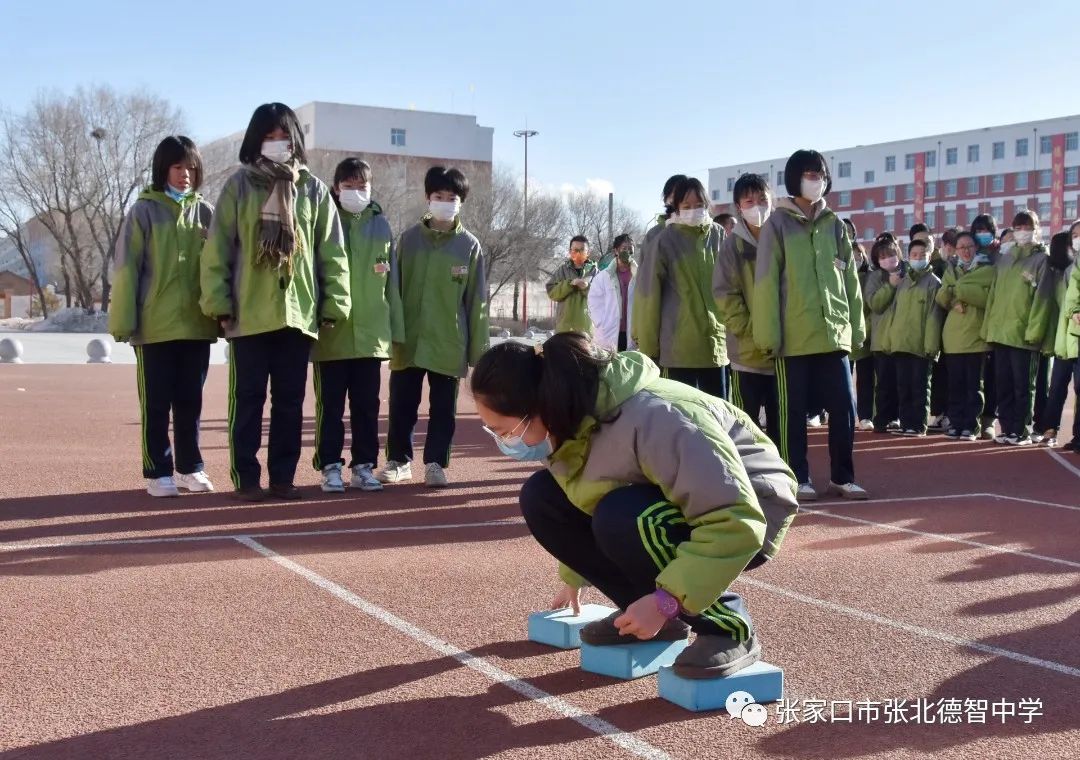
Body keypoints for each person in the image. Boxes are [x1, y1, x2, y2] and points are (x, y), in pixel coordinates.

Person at [470, 333, 798, 679]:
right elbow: (580, 495)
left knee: (622, 516)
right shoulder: (568, 422)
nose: (505, 443)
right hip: (679, 505)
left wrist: (665, 602)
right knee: (542, 497)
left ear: (541, 407)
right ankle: (646, 615)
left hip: (750, 510)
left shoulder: (658, 418)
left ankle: (728, 629)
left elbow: (735, 518)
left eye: (505, 431)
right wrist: (576, 573)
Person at [201, 103, 350, 502]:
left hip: (296, 313)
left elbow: (331, 252)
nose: (277, 143)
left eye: (283, 135)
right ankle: (246, 477)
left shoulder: (314, 189)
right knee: (247, 400)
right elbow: (218, 250)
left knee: (290, 402)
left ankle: (283, 477)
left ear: (295, 139)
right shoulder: (238, 185)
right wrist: (219, 302)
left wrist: (335, 303)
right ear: (255, 140)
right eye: (268, 136)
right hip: (249, 314)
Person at [753, 149, 867, 501]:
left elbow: (851, 281)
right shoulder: (777, 224)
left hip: (834, 334)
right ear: (794, 178)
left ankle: (843, 476)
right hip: (793, 337)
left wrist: (856, 328)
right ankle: (797, 477)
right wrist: (768, 334)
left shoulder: (835, 225)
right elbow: (767, 283)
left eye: (819, 174)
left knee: (845, 409)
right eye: (808, 174)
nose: (815, 180)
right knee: (791, 413)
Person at [110, 135, 218, 498]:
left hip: (196, 325)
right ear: (162, 169)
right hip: (154, 327)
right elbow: (126, 269)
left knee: (191, 402)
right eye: (177, 167)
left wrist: (221, 313)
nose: (185, 174)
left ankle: (191, 468)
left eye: (191, 168)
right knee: (156, 403)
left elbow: (221, 267)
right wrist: (124, 321)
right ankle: (158, 472)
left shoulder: (206, 212)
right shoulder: (144, 211)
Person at [380, 165, 489, 488]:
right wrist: (391, 333)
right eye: (439, 196)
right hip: (409, 338)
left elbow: (477, 302)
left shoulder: (469, 246)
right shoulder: (409, 240)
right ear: (428, 198)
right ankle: (399, 461)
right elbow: (393, 289)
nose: (445, 202)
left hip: (448, 340)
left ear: (461, 202)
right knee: (402, 404)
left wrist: (478, 353)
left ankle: (435, 463)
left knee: (443, 409)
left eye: (451, 197)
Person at [312, 158, 404, 493]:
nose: (355, 192)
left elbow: (391, 283)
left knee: (367, 406)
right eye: (348, 186)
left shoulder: (381, 224)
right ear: (335, 188)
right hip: (331, 334)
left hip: (371, 335)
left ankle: (364, 466)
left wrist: (396, 331)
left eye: (361, 186)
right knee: (330, 408)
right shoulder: (323, 220)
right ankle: (330, 467)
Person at [636, 177, 729, 397]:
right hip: (677, 347)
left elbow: (730, 286)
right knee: (679, 417)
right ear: (674, 207)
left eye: (698, 205)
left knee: (719, 414)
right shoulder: (663, 239)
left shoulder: (718, 234)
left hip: (715, 345)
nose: (693, 211)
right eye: (686, 207)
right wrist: (648, 346)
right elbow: (648, 296)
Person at [713, 173, 779, 443]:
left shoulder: (782, 238)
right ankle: (748, 476)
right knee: (745, 424)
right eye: (749, 201)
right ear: (738, 207)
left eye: (762, 199)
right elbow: (725, 295)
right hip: (746, 354)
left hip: (782, 353)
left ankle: (784, 475)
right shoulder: (731, 247)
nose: (757, 206)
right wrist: (752, 331)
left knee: (782, 421)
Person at [981, 210, 1054, 446]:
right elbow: (994, 294)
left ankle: (1021, 430)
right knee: (1004, 384)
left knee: (1024, 386)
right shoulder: (1006, 257)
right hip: (1001, 333)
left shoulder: (1041, 259)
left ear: (1036, 229)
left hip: (1024, 335)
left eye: (1027, 226)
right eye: (1018, 227)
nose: (1022, 231)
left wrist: (1034, 332)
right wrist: (989, 328)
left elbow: (1043, 299)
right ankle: (1007, 429)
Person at [936, 231, 995, 441]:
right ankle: (956, 423)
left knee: (974, 386)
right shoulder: (951, 270)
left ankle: (972, 425)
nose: (966, 250)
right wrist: (952, 299)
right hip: (953, 338)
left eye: (969, 246)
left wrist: (959, 290)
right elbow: (941, 295)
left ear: (976, 248)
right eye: (961, 247)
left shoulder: (987, 270)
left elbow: (988, 297)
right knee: (955, 385)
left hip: (976, 337)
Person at [884, 239, 943, 436]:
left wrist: (931, 346)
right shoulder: (903, 282)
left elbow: (935, 316)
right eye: (915, 254)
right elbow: (894, 312)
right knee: (904, 387)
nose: (918, 258)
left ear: (929, 256)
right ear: (909, 257)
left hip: (921, 345)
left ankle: (918, 425)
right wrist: (890, 340)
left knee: (919, 388)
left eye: (923, 254)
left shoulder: (934, 283)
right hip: (901, 343)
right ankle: (906, 423)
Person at [631, 174, 686, 346]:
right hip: (667, 326)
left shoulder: (707, 234)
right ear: (666, 198)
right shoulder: (654, 235)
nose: (678, 200)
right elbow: (644, 284)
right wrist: (639, 329)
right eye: (674, 194)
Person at [1036, 228, 1078, 447]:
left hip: (1075, 339)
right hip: (1061, 340)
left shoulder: (1074, 271)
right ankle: (1050, 429)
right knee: (1057, 387)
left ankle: (1077, 436)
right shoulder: (1055, 274)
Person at [971, 215, 1001, 438]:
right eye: (978, 230)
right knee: (974, 377)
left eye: (986, 230)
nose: (982, 234)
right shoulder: (971, 255)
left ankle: (989, 420)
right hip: (973, 326)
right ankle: (970, 418)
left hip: (996, 324)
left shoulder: (1002, 255)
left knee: (993, 377)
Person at [846, 218, 875, 430]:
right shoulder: (840, 275)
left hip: (864, 333)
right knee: (843, 379)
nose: (855, 259)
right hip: (842, 335)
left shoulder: (870, 277)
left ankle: (866, 416)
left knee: (865, 379)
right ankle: (846, 413)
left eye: (859, 256)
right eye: (852, 256)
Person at [588, 233, 636, 352]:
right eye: (624, 248)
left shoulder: (639, 275)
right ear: (616, 251)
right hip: (609, 332)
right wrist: (601, 323)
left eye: (630, 249)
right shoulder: (604, 277)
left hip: (632, 332)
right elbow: (593, 302)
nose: (628, 252)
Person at [547, 235, 597, 335]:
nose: (578, 253)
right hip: (564, 329)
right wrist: (569, 284)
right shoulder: (562, 270)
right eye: (575, 250)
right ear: (570, 252)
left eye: (582, 250)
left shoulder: (595, 271)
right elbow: (552, 292)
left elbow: (602, 297)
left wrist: (587, 287)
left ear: (588, 252)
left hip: (586, 330)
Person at [1059, 225, 1080, 452]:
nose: (1078, 240)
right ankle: (1078, 435)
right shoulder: (1072, 268)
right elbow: (1070, 299)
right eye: (1075, 236)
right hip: (1074, 334)